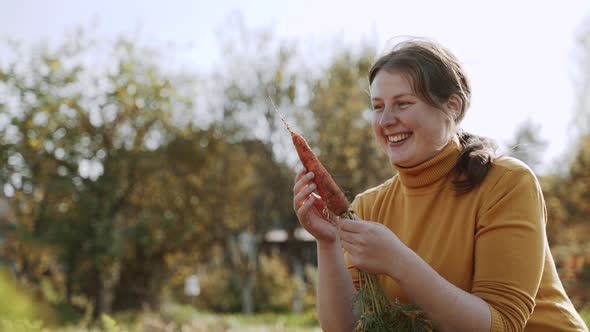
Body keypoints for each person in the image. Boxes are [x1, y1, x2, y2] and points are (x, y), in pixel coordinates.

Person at [292, 39, 588, 332]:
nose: (385, 120)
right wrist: (328, 242)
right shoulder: (368, 206)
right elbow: (345, 326)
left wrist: (398, 262)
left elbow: (502, 325)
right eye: (377, 106)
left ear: (452, 106)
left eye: (403, 104)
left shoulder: (507, 184)